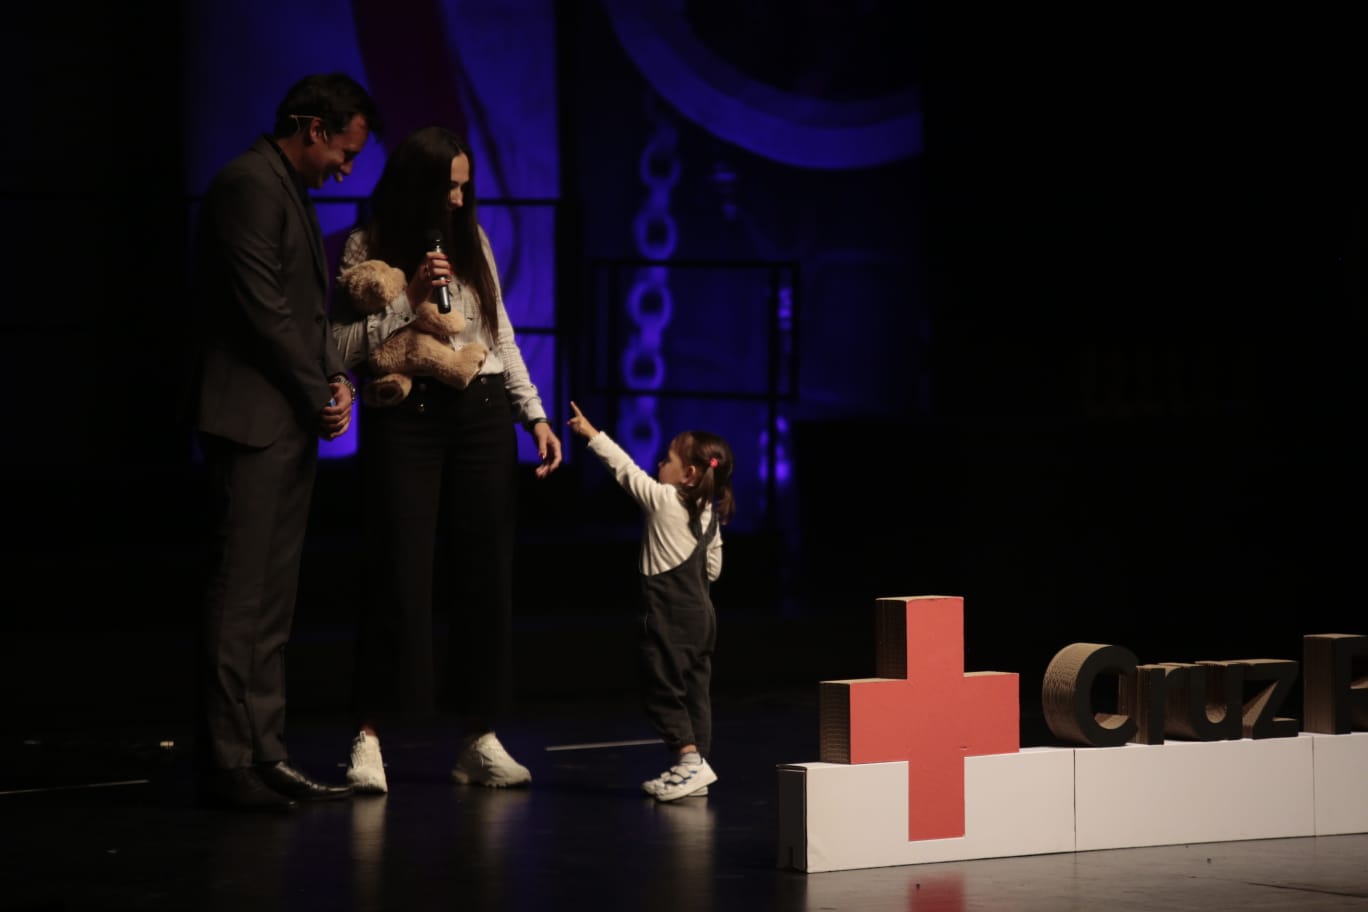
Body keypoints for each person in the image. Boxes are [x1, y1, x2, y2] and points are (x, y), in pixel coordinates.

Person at [330, 125, 562, 793]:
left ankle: (479, 735)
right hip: (407, 416)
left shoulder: (472, 242)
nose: (458, 200)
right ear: (417, 186)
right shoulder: (366, 245)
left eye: (465, 186)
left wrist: (534, 413)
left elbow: (499, 334)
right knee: (399, 567)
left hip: (481, 412)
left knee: (485, 573)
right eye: (448, 186)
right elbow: (342, 347)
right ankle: (369, 735)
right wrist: (406, 300)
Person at [184, 72, 383, 811]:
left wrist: (337, 378)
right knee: (240, 598)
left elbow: (307, 311)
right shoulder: (246, 184)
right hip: (250, 419)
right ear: (309, 127)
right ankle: (228, 761)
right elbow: (262, 312)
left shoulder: (289, 189)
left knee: (273, 601)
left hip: (287, 419)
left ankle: (265, 752)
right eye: (344, 148)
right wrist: (315, 388)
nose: (346, 166)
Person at [564, 401, 735, 801]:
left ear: (689, 474)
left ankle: (688, 760)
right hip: (703, 619)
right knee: (695, 693)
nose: (660, 463)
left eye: (668, 458)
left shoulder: (662, 500)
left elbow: (624, 470)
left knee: (661, 690)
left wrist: (591, 434)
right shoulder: (709, 515)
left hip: (667, 617)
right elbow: (713, 570)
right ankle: (696, 767)